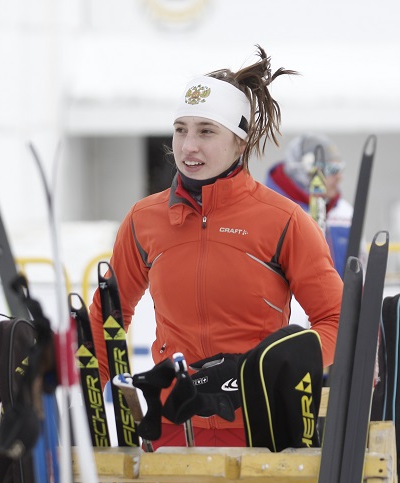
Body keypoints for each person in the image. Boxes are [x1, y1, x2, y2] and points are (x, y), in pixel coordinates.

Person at [88, 46, 342, 449]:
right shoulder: (144, 219)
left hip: (261, 426)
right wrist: (84, 392)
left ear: (240, 143)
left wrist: (270, 367)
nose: (188, 146)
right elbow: (108, 316)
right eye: (181, 129)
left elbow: (337, 322)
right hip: (174, 426)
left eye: (206, 131)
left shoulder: (284, 220)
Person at [265, 134, 353, 275]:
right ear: (306, 172)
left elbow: (361, 267)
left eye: (340, 168)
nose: (339, 177)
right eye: (332, 169)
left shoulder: (345, 212)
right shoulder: (270, 210)